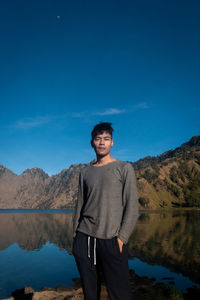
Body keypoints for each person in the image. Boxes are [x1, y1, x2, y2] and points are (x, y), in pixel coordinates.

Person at [72, 122, 139, 300]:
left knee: (120, 294)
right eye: (98, 139)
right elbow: (80, 205)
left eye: (106, 139)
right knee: (90, 293)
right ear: (92, 142)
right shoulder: (85, 172)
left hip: (111, 240)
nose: (102, 142)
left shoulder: (124, 168)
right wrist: (75, 237)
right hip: (84, 238)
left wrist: (121, 239)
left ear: (112, 143)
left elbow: (132, 208)